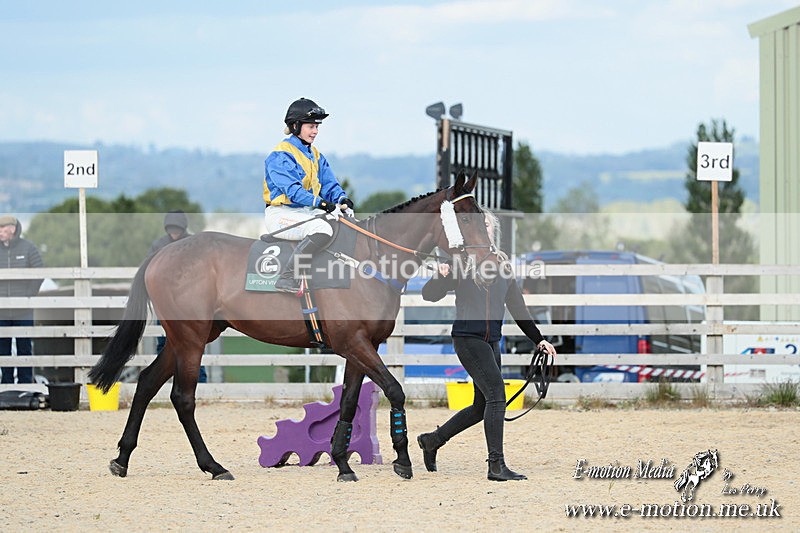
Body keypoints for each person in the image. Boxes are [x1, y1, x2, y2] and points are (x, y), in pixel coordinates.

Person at [416, 212, 557, 481]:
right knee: (496, 395)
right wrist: (440, 277)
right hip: (468, 339)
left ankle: (432, 440)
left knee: (482, 406)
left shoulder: (503, 265)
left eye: (488, 223)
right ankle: (496, 466)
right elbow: (429, 295)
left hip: (491, 342)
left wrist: (538, 339)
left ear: (493, 231)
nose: (484, 226)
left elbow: (517, 306)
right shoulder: (460, 262)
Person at [263, 97, 354, 294]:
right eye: (311, 126)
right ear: (295, 126)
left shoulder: (315, 154)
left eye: (317, 127)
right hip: (281, 215)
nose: (315, 132)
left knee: (342, 223)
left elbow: (329, 184)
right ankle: (287, 277)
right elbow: (294, 192)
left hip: (305, 213)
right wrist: (321, 204)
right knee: (322, 228)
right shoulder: (280, 155)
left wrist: (341, 199)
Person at [148, 210, 207, 383]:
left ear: (183, 228)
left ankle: (199, 381)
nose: (174, 232)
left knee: (193, 344)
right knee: (163, 344)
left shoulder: (192, 244)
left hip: (188, 304)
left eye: (177, 228)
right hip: (166, 303)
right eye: (171, 228)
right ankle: (164, 381)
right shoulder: (158, 245)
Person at [0, 215, 44, 384]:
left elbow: (39, 271)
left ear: (12, 229)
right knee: (3, 348)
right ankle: (6, 384)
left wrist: (29, 295)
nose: (0, 232)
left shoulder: (28, 247)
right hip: (2, 310)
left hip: (24, 310)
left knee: (24, 347)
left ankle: (26, 384)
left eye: (3, 229)